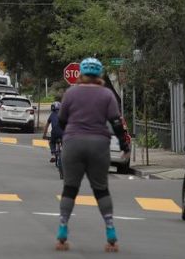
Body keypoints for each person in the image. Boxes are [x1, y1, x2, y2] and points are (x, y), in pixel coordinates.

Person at [54, 57, 130, 252]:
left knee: (70, 188)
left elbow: (61, 120)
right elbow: (116, 122)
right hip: (99, 144)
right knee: (101, 189)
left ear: (81, 73)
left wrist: (70, 132)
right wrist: (124, 145)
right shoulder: (107, 95)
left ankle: (63, 229)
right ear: (100, 75)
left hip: (73, 142)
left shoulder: (70, 93)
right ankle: (110, 232)